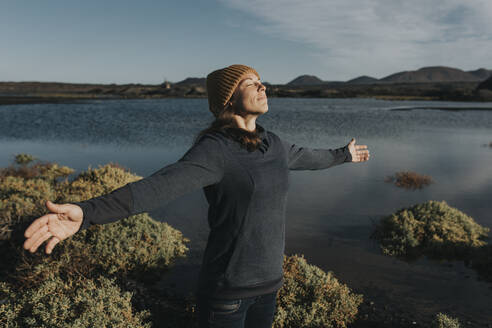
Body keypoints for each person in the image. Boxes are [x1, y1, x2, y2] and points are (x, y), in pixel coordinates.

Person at [23, 64, 370, 328]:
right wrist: (86, 213)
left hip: (269, 287)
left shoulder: (275, 144)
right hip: (227, 297)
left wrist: (344, 154)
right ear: (228, 98)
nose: (262, 85)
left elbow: (311, 157)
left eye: (261, 80)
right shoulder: (214, 151)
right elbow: (155, 188)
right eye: (250, 82)